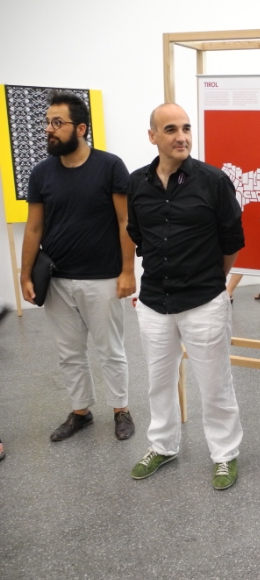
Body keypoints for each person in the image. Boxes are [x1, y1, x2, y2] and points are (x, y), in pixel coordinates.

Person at [127, 103, 244, 491]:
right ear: (152, 136)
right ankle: (162, 446)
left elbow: (231, 241)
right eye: (171, 129)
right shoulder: (137, 183)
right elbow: (137, 235)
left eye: (186, 128)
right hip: (153, 302)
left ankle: (224, 454)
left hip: (203, 301)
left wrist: (212, 281)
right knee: (158, 381)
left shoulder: (213, 181)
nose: (182, 137)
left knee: (214, 383)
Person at [20, 90, 136, 443]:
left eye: (58, 122)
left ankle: (120, 409)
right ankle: (81, 411)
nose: (49, 129)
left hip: (103, 278)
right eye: (47, 122)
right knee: (69, 353)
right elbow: (34, 227)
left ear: (81, 128)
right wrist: (25, 275)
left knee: (110, 350)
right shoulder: (41, 173)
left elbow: (125, 221)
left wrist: (128, 271)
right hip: (56, 279)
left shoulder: (109, 166)